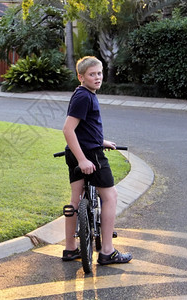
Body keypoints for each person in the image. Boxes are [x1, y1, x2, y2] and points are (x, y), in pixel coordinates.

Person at [61, 56, 132, 265]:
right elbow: (68, 129)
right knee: (110, 196)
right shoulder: (85, 96)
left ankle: (70, 249)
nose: (97, 77)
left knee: (75, 199)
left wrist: (100, 141)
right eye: (92, 74)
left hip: (80, 151)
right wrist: (83, 159)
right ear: (81, 76)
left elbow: (83, 128)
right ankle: (107, 251)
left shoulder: (82, 93)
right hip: (88, 155)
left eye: (99, 73)